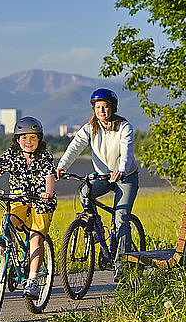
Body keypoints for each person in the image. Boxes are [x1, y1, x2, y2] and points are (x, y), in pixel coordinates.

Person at [56, 88, 139, 283]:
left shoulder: (124, 127)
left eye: (106, 107)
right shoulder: (89, 128)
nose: (102, 111)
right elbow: (74, 148)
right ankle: (97, 230)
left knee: (121, 220)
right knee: (85, 191)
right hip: (103, 177)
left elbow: (126, 151)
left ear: (112, 109)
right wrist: (61, 167)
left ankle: (121, 267)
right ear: (94, 109)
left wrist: (121, 169)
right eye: (98, 107)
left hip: (126, 176)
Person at [0, 117, 56, 299]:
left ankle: (32, 279)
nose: (28, 142)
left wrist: (48, 192)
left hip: (41, 201)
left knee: (35, 238)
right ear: (17, 140)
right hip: (18, 199)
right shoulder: (11, 155)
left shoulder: (45, 156)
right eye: (24, 138)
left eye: (33, 138)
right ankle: (9, 256)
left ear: (39, 140)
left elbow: (50, 175)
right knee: (7, 222)